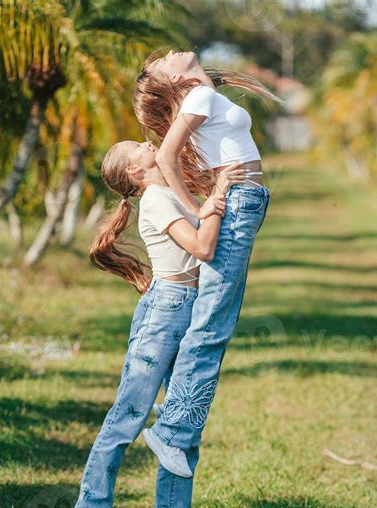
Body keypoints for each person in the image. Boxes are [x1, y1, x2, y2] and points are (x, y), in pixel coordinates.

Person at [71, 138, 246, 508]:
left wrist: (216, 191)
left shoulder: (170, 190)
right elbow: (203, 247)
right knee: (128, 417)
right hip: (165, 311)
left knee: (183, 415)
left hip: (193, 306)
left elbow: (205, 227)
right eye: (137, 145)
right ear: (135, 171)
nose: (148, 140)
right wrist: (220, 194)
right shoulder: (154, 199)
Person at [133, 50, 279, 477]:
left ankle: (175, 416)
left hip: (245, 200)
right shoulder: (199, 97)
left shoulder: (204, 96)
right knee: (213, 324)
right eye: (163, 61)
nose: (171, 53)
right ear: (175, 80)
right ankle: (173, 431)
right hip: (239, 200)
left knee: (214, 320)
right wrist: (196, 207)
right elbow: (165, 158)